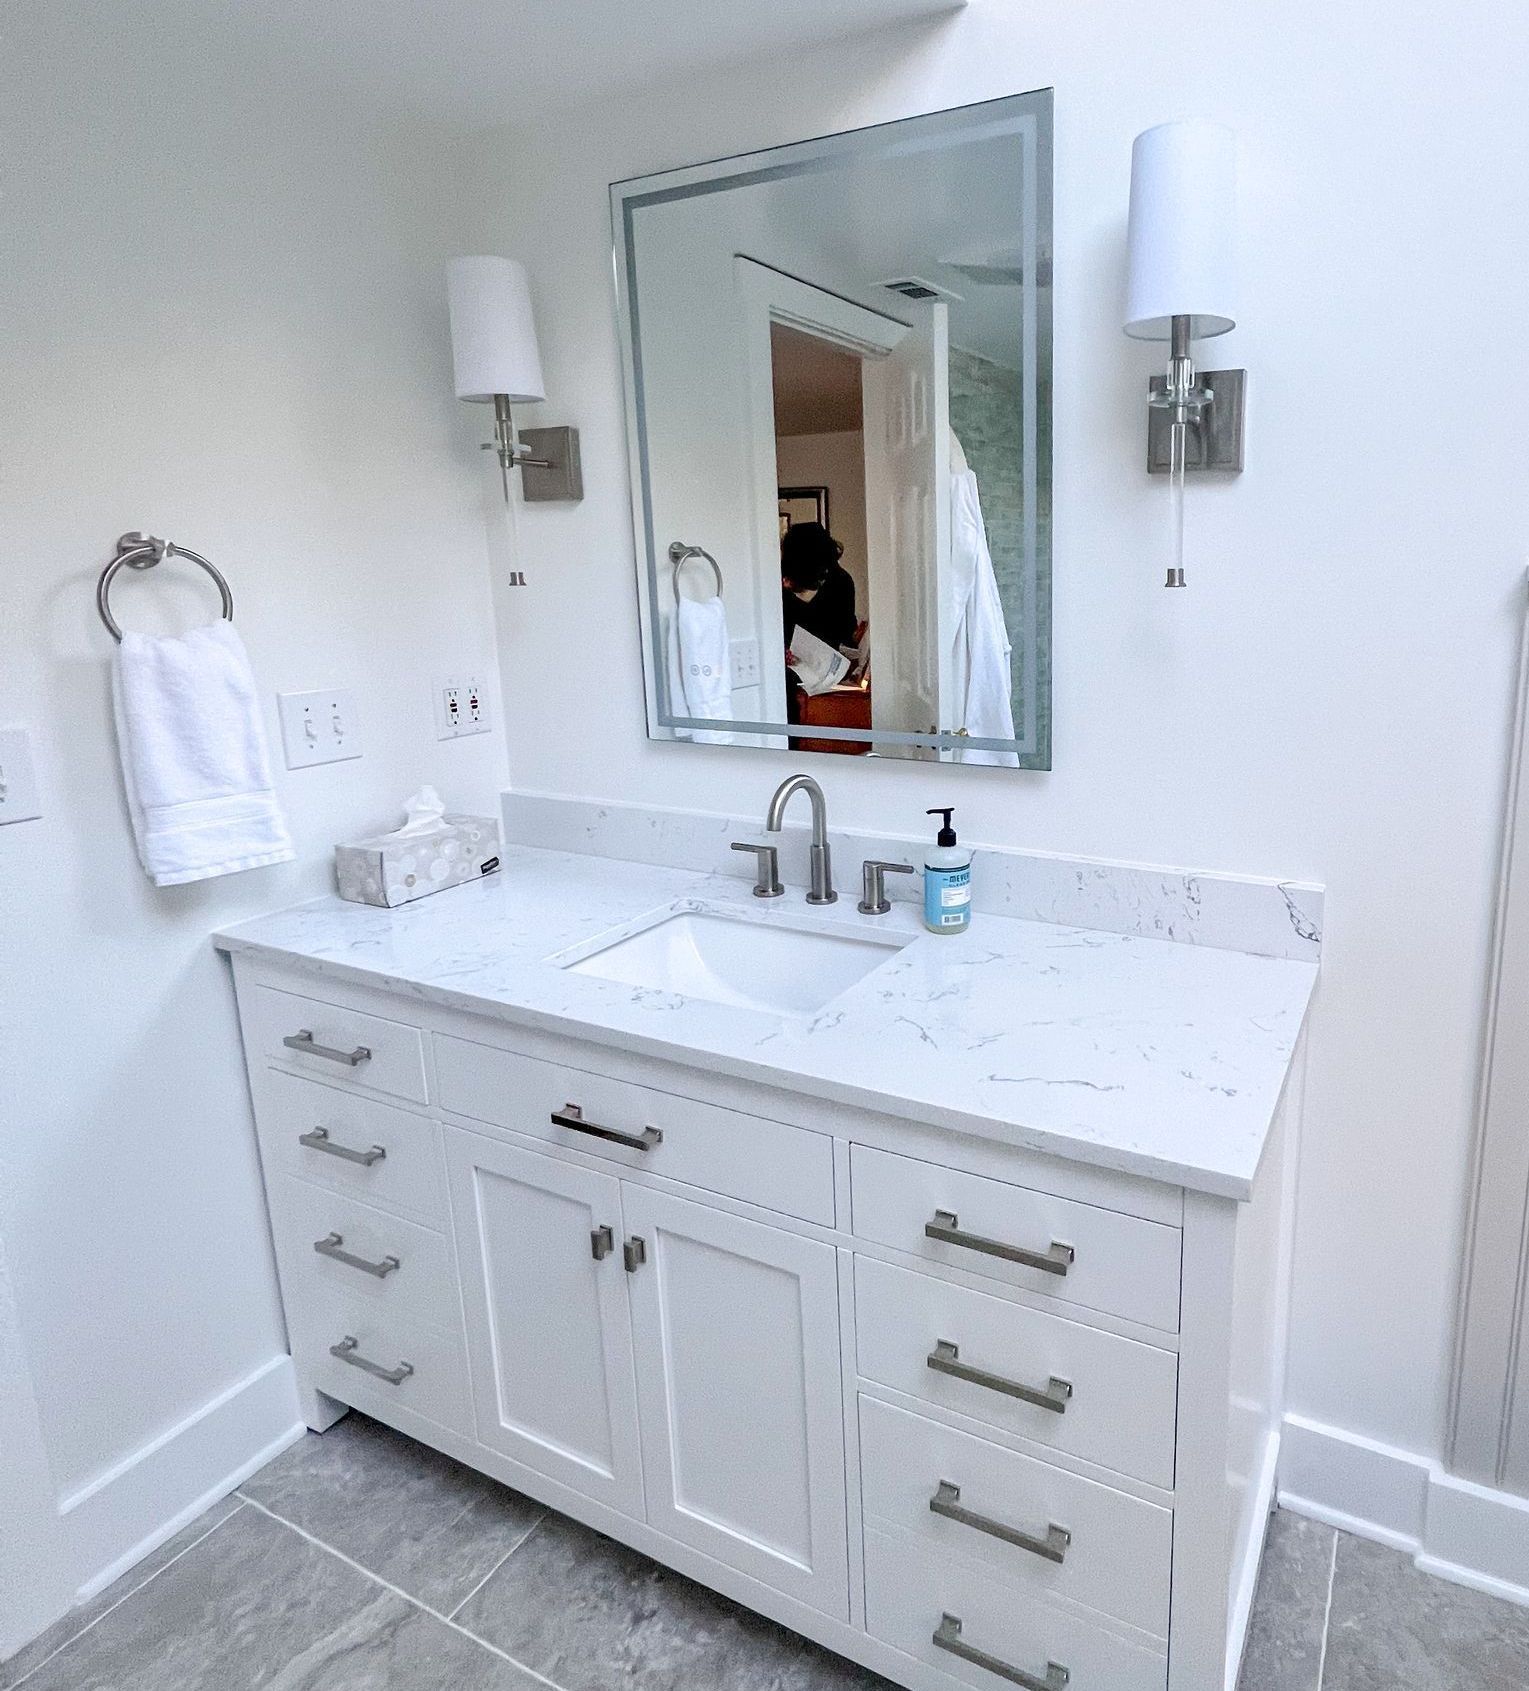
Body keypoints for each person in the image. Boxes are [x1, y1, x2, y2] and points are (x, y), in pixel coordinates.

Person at [781, 522, 857, 654]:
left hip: (828, 663)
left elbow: (845, 631)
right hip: (790, 665)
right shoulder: (782, 579)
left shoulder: (840, 581)